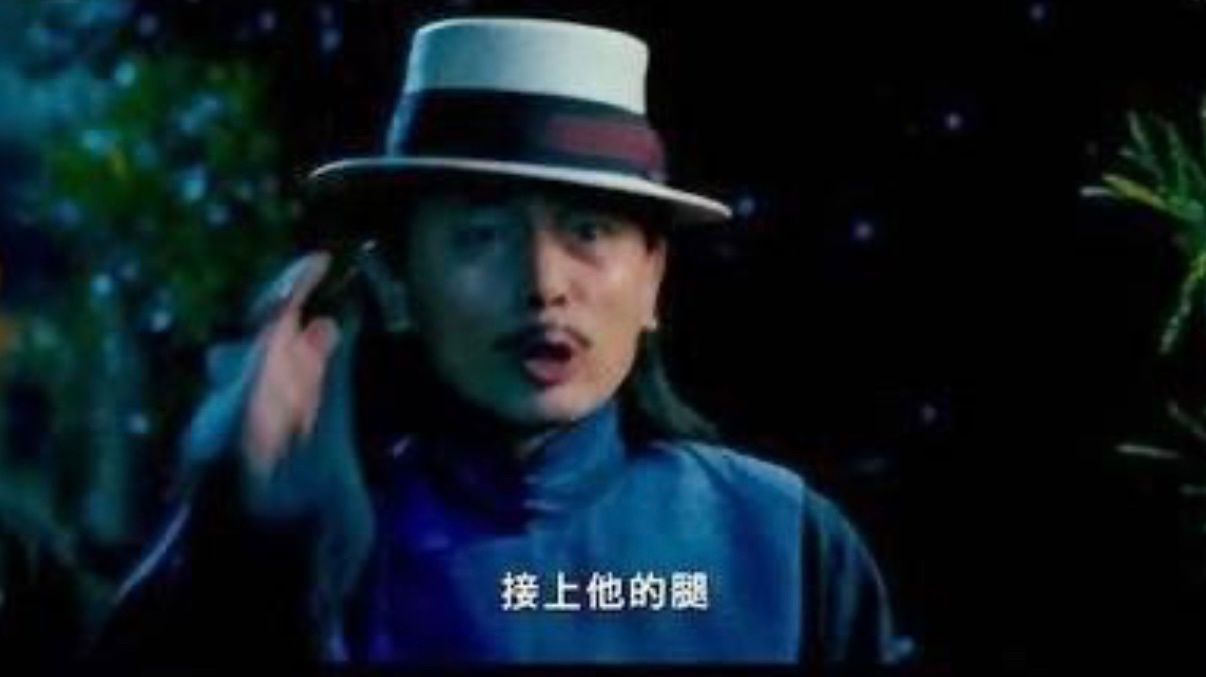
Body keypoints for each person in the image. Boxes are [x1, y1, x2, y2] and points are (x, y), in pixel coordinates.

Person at [95, 16, 912, 666]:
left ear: (653, 279)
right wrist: (235, 543)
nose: (544, 283)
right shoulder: (320, 549)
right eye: (481, 235)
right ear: (395, 281)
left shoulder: (785, 540)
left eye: (588, 231)